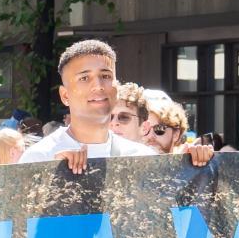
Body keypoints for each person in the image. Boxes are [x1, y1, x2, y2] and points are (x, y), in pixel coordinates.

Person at [19, 41, 155, 171]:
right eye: (84, 78)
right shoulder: (39, 159)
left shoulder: (142, 159)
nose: (98, 86)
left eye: (106, 76)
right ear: (65, 95)